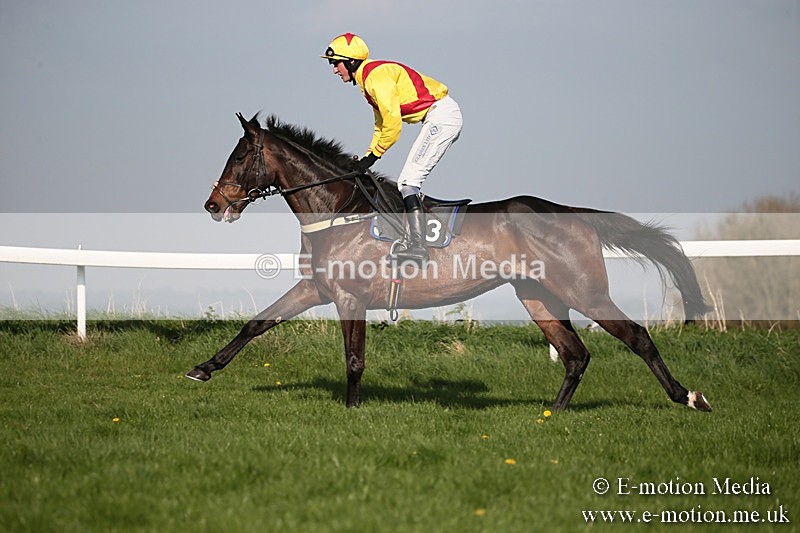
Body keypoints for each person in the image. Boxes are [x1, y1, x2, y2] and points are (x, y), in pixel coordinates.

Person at [321, 33, 463, 262]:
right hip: (437, 117)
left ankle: (418, 246)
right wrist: (367, 157)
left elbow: (393, 125)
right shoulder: (368, 80)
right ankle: (418, 231)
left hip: (442, 117)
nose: (335, 70)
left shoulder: (375, 77)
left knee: (408, 181)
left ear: (351, 61)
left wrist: (372, 158)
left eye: (336, 64)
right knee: (408, 182)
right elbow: (380, 125)